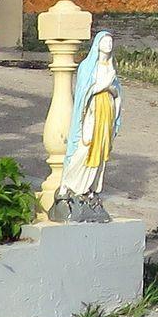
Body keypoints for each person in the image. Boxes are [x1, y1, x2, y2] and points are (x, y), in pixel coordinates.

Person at [59, 31, 123, 221]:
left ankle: (90, 190)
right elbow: (84, 92)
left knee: (101, 151)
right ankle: (72, 186)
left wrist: (111, 89)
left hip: (106, 113)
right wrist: (104, 85)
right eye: (105, 41)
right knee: (84, 148)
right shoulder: (88, 66)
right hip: (91, 115)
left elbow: (117, 92)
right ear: (97, 44)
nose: (109, 45)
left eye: (111, 41)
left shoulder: (111, 67)